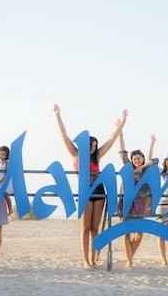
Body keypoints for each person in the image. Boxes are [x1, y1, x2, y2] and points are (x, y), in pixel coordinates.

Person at [53, 104, 128, 270]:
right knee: (85, 228)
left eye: (95, 146)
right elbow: (64, 135)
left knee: (95, 228)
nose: (93, 148)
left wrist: (123, 121)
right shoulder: (76, 154)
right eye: (91, 145)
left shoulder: (97, 156)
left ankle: (93, 259)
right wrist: (58, 115)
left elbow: (111, 140)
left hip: (99, 191)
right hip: (85, 192)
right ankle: (85, 260)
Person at [118, 132, 157, 268]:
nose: (136, 160)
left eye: (138, 158)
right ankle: (129, 261)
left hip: (141, 203)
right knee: (126, 232)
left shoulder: (147, 170)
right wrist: (121, 134)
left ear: (143, 159)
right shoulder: (128, 168)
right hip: (126, 202)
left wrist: (152, 143)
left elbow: (154, 160)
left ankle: (129, 258)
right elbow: (122, 153)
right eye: (134, 159)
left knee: (139, 233)